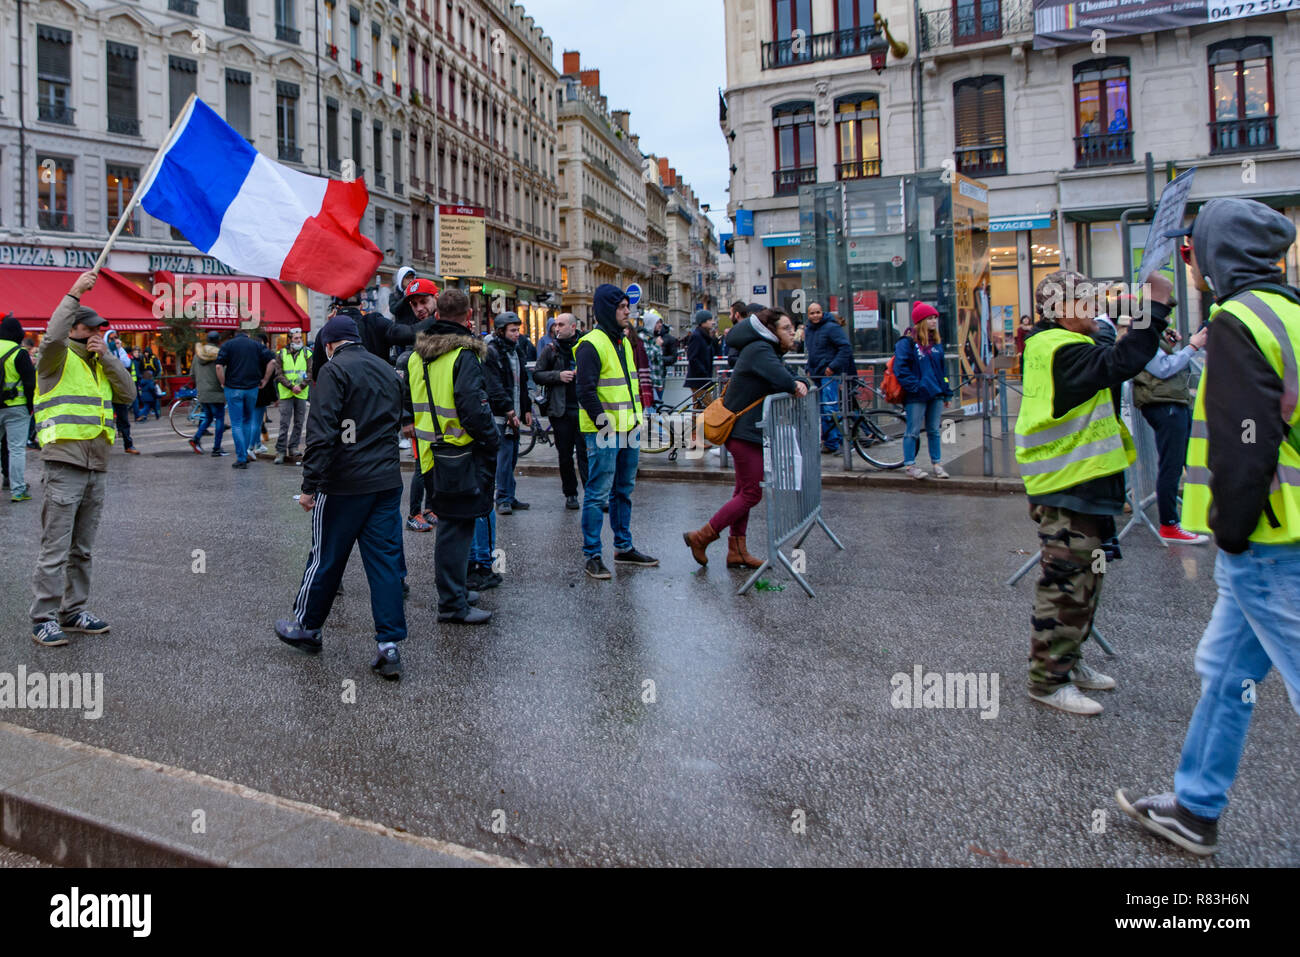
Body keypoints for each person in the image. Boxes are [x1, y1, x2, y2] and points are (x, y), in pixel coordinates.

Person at [1117, 198, 1300, 856]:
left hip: (1270, 542)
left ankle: (1195, 805)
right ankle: (1194, 807)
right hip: (1278, 537)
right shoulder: (1289, 310)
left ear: (1219, 255)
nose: (1190, 259)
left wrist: (1230, 527)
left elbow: (1245, 441)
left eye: (1195, 248)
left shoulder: (1238, 321)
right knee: (1226, 672)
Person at [1015, 268, 1168, 715]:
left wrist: (1128, 314)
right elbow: (1121, 361)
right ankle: (1046, 681)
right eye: (1086, 299)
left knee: (1090, 581)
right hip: (1066, 491)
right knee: (1065, 585)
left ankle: (1069, 660)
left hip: (1088, 490)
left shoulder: (1072, 340)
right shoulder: (1057, 348)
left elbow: (1111, 346)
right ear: (1062, 310)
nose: (1096, 306)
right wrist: (1153, 308)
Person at [275, 314, 409, 679]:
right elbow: (399, 419)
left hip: (345, 482)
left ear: (329, 345)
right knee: (384, 562)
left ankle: (307, 626)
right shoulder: (386, 369)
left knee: (326, 558)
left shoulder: (334, 372)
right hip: (385, 479)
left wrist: (309, 485)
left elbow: (322, 433)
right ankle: (389, 644)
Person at [29, 270, 136, 647]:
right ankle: (43, 616)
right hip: (64, 463)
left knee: (83, 548)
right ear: (74, 328)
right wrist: (74, 293)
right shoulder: (54, 359)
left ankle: (73, 610)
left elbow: (128, 395)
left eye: (100, 328)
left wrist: (107, 358)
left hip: (97, 465)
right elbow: (53, 334)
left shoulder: (99, 361)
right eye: (90, 327)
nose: (96, 332)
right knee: (55, 548)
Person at [402, 288, 499, 623]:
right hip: (461, 454)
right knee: (456, 530)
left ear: (438, 315)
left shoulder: (417, 356)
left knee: (450, 526)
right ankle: (452, 604)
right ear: (468, 316)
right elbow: (473, 408)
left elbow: (410, 402)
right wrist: (492, 439)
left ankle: (454, 590)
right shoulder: (463, 355)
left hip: (430, 455)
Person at [684, 309, 809, 567]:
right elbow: (784, 379)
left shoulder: (764, 351)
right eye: (785, 328)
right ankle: (702, 536)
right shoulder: (760, 351)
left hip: (747, 432)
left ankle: (737, 550)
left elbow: (788, 375)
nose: (791, 332)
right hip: (742, 433)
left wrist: (800, 380)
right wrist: (796, 382)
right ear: (771, 331)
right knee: (751, 494)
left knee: (743, 491)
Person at [576, 284, 658, 579]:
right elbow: (584, 389)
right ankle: (592, 555)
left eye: (628, 306)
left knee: (623, 491)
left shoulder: (623, 342)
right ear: (608, 310)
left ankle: (623, 547)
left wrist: (637, 421)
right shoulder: (591, 343)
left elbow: (628, 386)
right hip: (605, 431)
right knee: (597, 494)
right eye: (622, 307)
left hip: (628, 427)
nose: (627, 312)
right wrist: (602, 422)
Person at [1132, 322, 1209, 544]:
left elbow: (1162, 364)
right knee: (1171, 465)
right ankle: (1169, 525)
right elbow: (1162, 368)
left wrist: (1170, 345)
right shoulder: (1143, 334)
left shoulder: (1149, 334)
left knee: (1181, 460)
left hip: (1171, 403)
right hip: (1165, 405)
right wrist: (1192, 347)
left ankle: (1180, 521)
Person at [392, 277, 441, 532]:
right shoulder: (412, 331)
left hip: (439, 415)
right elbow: (403, 380)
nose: (419, 307)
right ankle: (414, 514)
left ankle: (431, 508)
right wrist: (406, 418)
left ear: (436, 298)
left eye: (423, 301)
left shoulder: (439, 327)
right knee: (423, 466)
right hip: (419, 417)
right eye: (414, 304)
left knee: (433, 464)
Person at [532, 312, 587, 509]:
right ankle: (570, 494)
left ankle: (590, 494)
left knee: (585, 454)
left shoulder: (585, 346)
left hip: (583, 409)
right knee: (564, 455)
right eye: (556, 324)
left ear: (573, 327)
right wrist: (558, 376)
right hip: (560, 410)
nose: (557, 328)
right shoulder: (551, 349)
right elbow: (537, 374)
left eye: (561, 324)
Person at [894, 302, 954, 480]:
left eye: (935, 317)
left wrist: (947, 392)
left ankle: (937, 464)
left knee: (934, 430)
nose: (934, 321)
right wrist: (916, 387)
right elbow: (901, 368)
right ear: (921, 321)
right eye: (930, 318)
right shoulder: (907, 343)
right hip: (917, 395)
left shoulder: (936, 344)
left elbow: (942, 371)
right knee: (912, 431)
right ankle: (910, 465)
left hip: (935, 393)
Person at [484, 312, 531, 516]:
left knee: (512, 458)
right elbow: (494, 386)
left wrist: (526, 408)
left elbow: (522, 383)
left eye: (518, 330)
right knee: (503, 459)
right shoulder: (492, 352)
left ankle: (510, 496)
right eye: (513, 330)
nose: (517, 334)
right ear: (501, 331)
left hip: (516, 413)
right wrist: (509, 411)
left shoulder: (517, 350)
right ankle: (502, 497)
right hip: (501, 416)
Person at [310, 291, 416, 380]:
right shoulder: (376, 323)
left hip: (340, 399)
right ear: (361, 305)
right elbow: (407, 334)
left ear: (337, 307)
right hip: (376, 395)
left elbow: (317, 374)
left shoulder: (325, 332)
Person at [215, 325, 277, 468]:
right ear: (247, 334)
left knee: (236, 423)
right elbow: (272, 361)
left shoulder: (228, 345)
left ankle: (241, 457)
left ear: (235, 334)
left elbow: (218, 366)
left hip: (233, 388)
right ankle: (247, 452)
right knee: (248, 421)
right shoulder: (256, 345)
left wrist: (223, 382)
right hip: (252, 388)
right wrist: (265, 380)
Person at [804, 300, 855, 453]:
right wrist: (808, 368)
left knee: (830, 408)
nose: (815, 315)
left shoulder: (832, 328)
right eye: (812, 313)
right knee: (823, 410)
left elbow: (845, 348)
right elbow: (811, 352)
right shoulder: (809, 330)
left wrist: (833, 367)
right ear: (808, 315)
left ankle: (839, 442)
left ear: (822, 312)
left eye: (817, 312)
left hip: (829, 374)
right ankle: (831, 442)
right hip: (817, 374)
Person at [1, 313, 37, 501]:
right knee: (15, 450)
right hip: (16, 408)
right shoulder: (19, 353)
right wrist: (30, 407)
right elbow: (31, 383)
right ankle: (18, 490)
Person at [274, 328, 312, 464]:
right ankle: (280, 451)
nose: (299, 340)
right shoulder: (281, 353)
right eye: (296, 338)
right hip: (286, 392)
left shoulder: (307, 353)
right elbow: (278, 374)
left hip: (301, 392)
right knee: (284, 423)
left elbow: (310, 372)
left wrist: (300, 386)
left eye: (300, 338)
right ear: (290, 339)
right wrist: (291, 386)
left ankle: (293, 447)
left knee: (299, 422)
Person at [189, 331, 228, 456]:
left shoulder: (198, 355)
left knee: (208, 417)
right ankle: (216, 448)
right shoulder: (220, 354)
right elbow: (224, 372)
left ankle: (196, 439)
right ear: (218, 341)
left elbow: (192, 374)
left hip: (203, 392)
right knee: (220, 419)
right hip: (217, 392)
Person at [102, 331, 139, 455]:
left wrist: (119, 350)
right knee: (104, 417)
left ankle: (128, 444)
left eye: (116, 338)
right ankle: (103, 446)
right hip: (105, 387)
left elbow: (127, 363)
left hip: (118, 387)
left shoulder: (120, 350)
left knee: (123, 417)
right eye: (111, 339)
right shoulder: (102, 350)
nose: (114, 341)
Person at [684, 309, 717, 405]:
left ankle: (696, 420)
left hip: (701, 379)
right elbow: (693, 358)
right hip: (698, 380)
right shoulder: (697, 336)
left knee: (698, 407)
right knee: (711, 407)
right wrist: (704, 373)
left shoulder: (704, 336)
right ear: (703, 322)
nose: (712, 322)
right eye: (709, 320)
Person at [723, 300, 748, 368]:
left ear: (737, 315)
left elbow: (732, 358)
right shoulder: (749, 328)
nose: (730, 317)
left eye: (731, 314)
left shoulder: (738, 331)